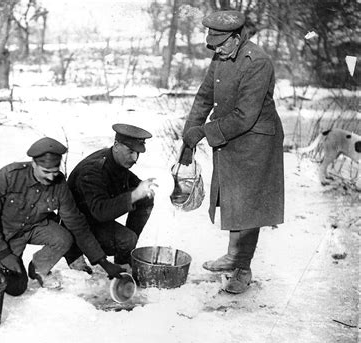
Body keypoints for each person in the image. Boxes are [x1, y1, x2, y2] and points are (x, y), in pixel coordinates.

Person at [180, 10, 284, 294]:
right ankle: (233, 256)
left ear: (236, 39)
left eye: (221, 45)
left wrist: (205, 131)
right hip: (230, 134)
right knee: (232, 198)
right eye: (212, 45)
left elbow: (245, 115)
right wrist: (190, 131)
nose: (217, 51)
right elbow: (204, 95)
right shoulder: (222, 55)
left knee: (249, 205)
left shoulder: (257, 62)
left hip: (255, 140)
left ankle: (243, 269)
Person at [0, 137, 126, 296]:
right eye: (46, 172)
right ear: (34, 164)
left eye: (55, 172)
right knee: (16, 288)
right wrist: (2, 253)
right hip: (8, 232)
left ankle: (38, 269)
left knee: (64, 238)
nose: (50, 177)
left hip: (36, 226)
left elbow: (77, 224)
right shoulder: (9, 176)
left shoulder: (59, 184)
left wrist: (102, 261)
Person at [65, 123, 157, 269]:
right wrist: (133, 196)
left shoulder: (116, 160)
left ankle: (124, 258)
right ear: (116, 145)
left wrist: (144, 190)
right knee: (127, 239)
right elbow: (101, 211)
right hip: (76, 227)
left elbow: (134, 184)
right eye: (131, 151)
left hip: (93, 218)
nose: (135, 158)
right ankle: (74, 252)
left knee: (145, 197)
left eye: (138, 153)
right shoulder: (92, 170)